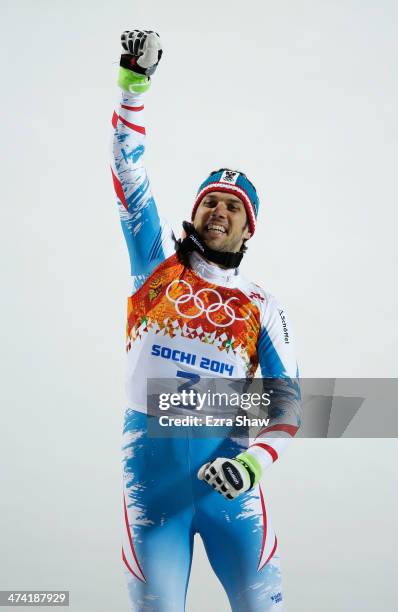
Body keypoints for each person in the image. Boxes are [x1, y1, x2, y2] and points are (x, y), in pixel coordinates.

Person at [111, 30, 301, 612]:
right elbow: (127, 173)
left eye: (234, 207)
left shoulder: (264, 305)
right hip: (154, 493)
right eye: (210, 201)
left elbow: (289, 401)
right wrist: (132, 89)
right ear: (194, 214)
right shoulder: (155, 266)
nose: (220, 210)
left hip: (232, 494)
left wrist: (253, 462)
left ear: (249, 230)